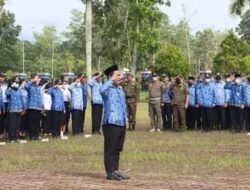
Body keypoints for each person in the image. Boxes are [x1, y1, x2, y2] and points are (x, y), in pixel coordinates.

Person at [100, 65, 130, 181]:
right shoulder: (107, 89)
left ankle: (116, 170)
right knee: (110, 149)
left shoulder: (120, 89)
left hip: (121, 122)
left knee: (117, 149)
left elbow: (123, 106)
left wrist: (126, 119)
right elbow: (101, 90)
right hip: (111, 123)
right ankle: (110, 172)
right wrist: (111, 80)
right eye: (118, 75)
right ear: (111, 77)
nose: (120, 77)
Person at [6, 77, 25, 142]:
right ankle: (11, 138)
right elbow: (7, 95)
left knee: (17, 125)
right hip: (12, 109)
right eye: (15, 82)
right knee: (12, 124)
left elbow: (21, 99)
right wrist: (10, 87)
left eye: (17, 82)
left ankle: (16, 138)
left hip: (19, 109)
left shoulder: (19, 90)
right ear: (12, 82)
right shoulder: (10, 90)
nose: (17, 83)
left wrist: (23, 108)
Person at [25, 73, 44, 140]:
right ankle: (31, 135)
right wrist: (32, 81)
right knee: (31, 122)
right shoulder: (30, 85)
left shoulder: (38, 87)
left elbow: (40, 97)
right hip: (31, 106)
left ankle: (36, 135)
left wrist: (42, 106)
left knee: (37, 122)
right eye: (37, 78)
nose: (38, 79)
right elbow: (26, 86)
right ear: (33, 78)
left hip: (38, 107)